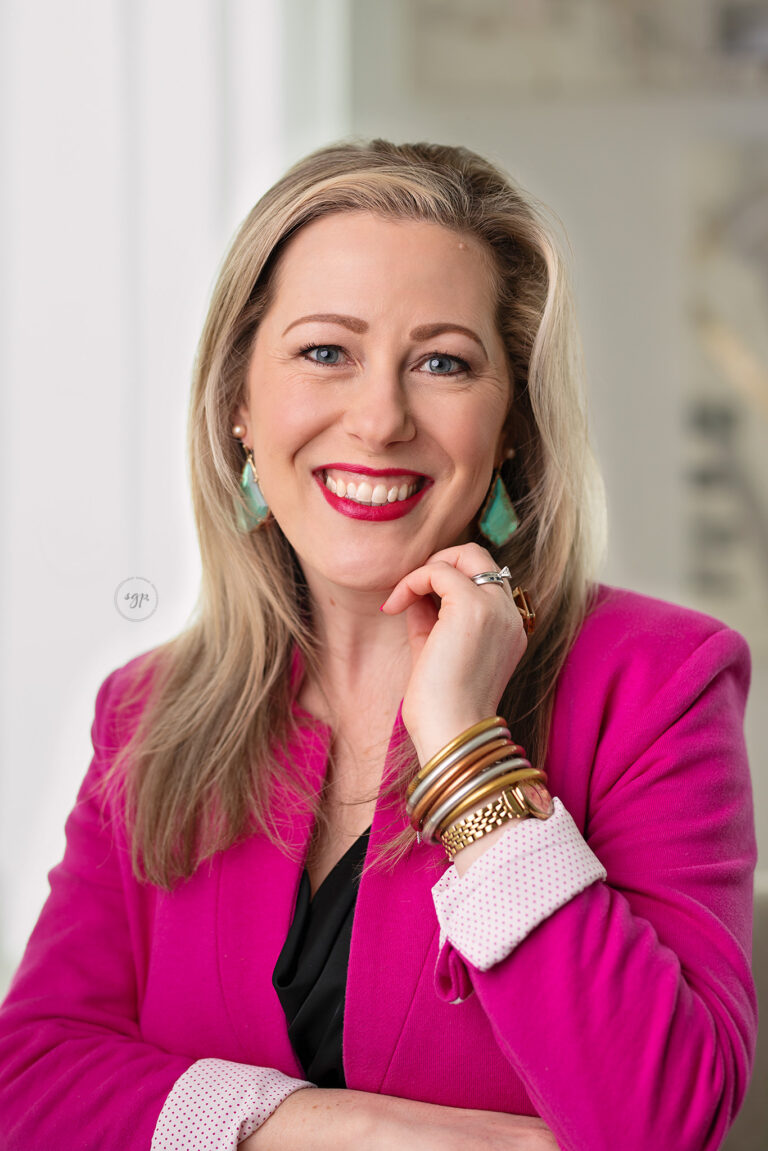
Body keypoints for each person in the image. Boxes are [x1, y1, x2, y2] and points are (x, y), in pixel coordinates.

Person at [0, 139, 757, 1151]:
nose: (381, 417)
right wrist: (340, 1128)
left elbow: (661, 1119)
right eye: (326, 351)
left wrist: (462, 746)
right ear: (239, 401)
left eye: (443, 362)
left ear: (513, 425)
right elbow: (31, 1077)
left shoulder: (655, 682)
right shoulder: (146, 709)